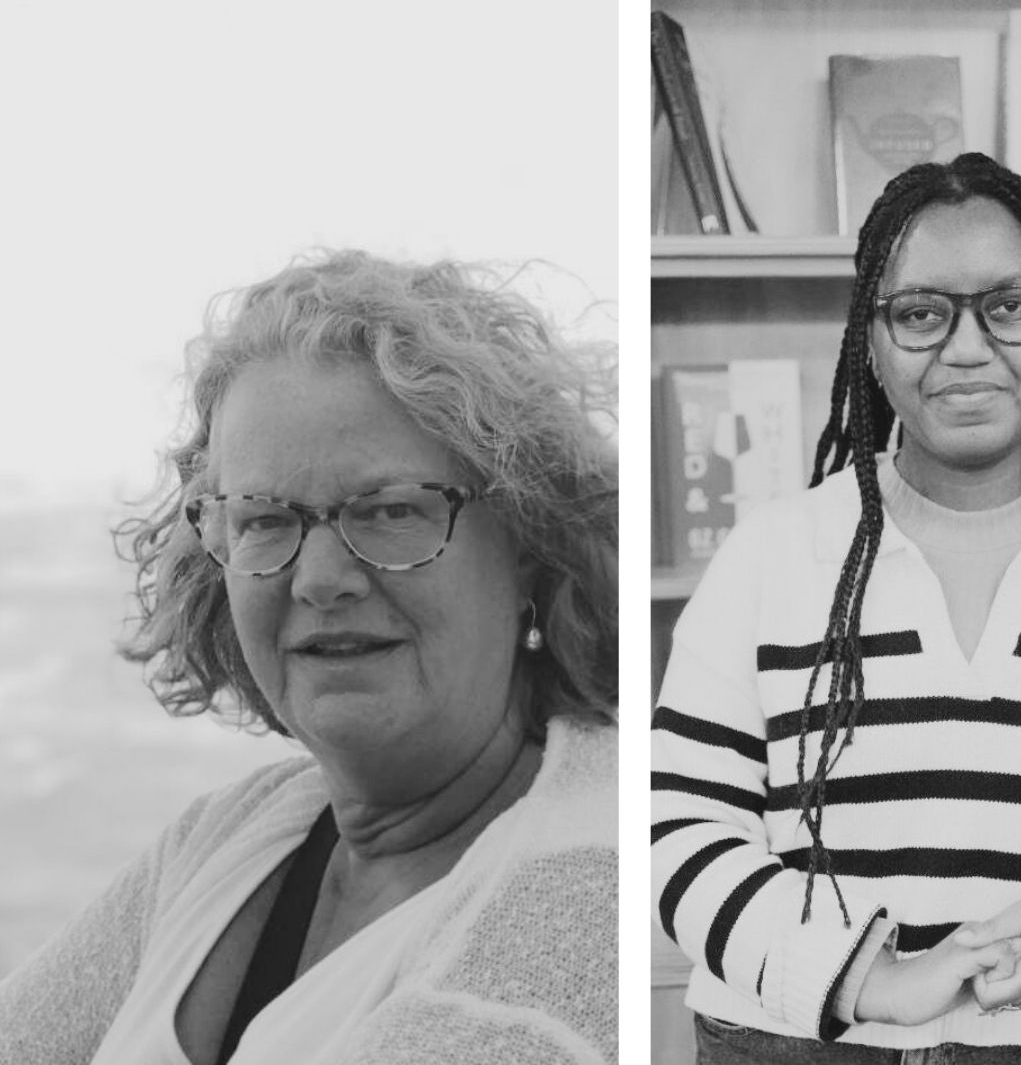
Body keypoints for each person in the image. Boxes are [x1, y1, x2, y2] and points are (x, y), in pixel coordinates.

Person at [652, 152, 1021, 1063]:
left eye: (1008, 307)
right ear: (872, 340)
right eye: (922, 313)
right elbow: (684, 822)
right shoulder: (770, 555)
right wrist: (867, 979)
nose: (967, 349)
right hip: (785, 1045)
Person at [0, 251, 618, 1064]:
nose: (320, 580)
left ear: (530, 550)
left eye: (392, 510)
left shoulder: (578, 903)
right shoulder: (230, 840)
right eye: (262, 520)